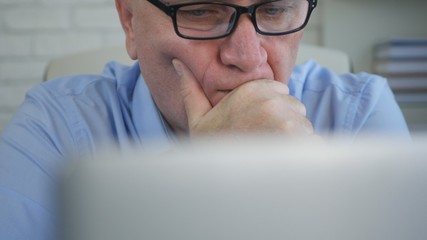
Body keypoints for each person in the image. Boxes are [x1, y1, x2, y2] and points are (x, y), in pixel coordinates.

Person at [0, 0, 410, 238]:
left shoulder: (359, 114)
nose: (249, 58)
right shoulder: (55, 129)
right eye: (199, 11)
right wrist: (207, 179)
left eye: (276, 9)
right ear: (130, 21)